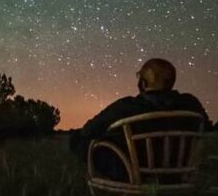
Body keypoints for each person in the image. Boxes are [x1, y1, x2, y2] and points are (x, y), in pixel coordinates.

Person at [70, 58, 208, 180]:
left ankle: (129, 185)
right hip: (177, 173)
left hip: (134, 172)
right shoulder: (191, 103)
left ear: (143, 83)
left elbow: (89, 130)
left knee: (78, 140)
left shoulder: (127, 106)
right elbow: (205, 126)